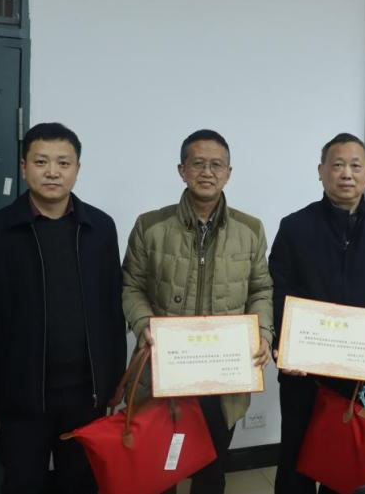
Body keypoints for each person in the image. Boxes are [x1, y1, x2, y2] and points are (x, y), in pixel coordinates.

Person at [0, 122, 127, 494]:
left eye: (63, 163)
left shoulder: (100, 228)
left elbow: (111, 311)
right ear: (24, 167)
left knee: (81, 482)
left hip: (87, 395)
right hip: (17, 394)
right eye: (41, 162)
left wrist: (116, 383)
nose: (52, 172)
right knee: (23, 482)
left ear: (77, 169)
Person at [122, 129, 273, 494]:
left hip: (224, 378)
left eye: (216, 165)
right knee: (160, 472)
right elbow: (131, 286)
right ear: (182, 170)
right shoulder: (150, 226)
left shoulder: (250, 229)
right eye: (198, 163)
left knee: (211, 472)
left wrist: (263, 333)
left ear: (228, 173)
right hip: (165, 373)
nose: (207, 172)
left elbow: (261, 290)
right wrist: (143, 324)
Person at [270, 133, 365, 494]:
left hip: (361, 367)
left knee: (348, 459)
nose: (346, 174)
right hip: (305, 370)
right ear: (321, 171)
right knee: (296, 456)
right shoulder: (295, 226)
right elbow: (277, 288)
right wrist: (285, 344)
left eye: (355, 166)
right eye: (337, 165)